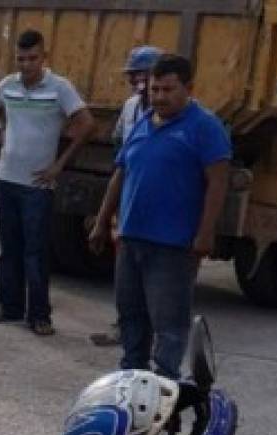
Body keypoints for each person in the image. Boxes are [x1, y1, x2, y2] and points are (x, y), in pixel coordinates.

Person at [88, 54, 230, 379]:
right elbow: (121, 173)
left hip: (173, 246)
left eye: (168, 90)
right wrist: (101, 222)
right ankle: (133, 380)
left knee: (168, 324)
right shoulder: (143, 120)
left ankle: (164, 388)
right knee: (130, 316)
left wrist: (205, 233)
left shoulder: (205, 127)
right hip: (131, 239)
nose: (160, 97)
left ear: (189, 88)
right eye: (155, 90)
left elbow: (218, 182)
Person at [0, 29, 95, 336]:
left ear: (45, 57)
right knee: (9, 249)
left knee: (36, 252)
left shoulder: (59, 88)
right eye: (21, 59)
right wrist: (1, 126)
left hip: (38, 186)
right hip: (6, 179)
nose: (26, 65)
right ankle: (10, 307)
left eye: (32, 58)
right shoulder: (8, 85)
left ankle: (40, 315)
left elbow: (86, 123)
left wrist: (59, 164)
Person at [90, 44, 162, 349]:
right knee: (127, 265)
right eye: (132, 75)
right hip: (131, 194)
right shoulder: (131, 107)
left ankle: (157, 329)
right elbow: (120, 148)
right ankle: (126, 325)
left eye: (141, 74)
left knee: (158, 268)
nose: (136, 81)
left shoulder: (173, 110)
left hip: (159, 199)